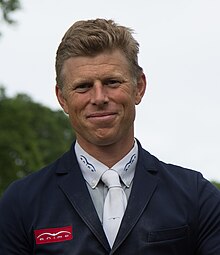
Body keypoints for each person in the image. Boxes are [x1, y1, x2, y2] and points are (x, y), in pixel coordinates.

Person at [0, 18, 219, 255]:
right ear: (62, 98)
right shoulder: (21, 202)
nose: (99, 97)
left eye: (112, 82)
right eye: (83, 86)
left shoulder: (196, 196)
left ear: (139, 87)